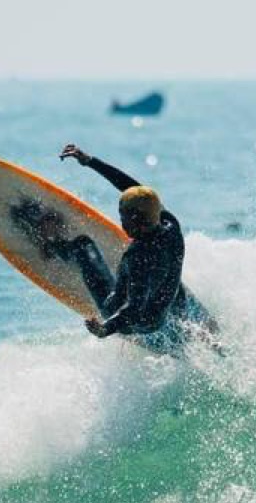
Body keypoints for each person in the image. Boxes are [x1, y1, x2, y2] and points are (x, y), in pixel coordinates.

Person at [12, 144, 213, 351]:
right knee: (168, 281)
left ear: (134, 221)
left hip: (143, 325)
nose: (121, 221)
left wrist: (105, 329)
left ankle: (51, 246)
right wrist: (90, 161)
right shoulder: (170, 224)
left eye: (123, 216)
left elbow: (134, 309)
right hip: (167, 304)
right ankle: (194, 327)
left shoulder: (140, 258)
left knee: (83, 245)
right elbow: (133, 189)